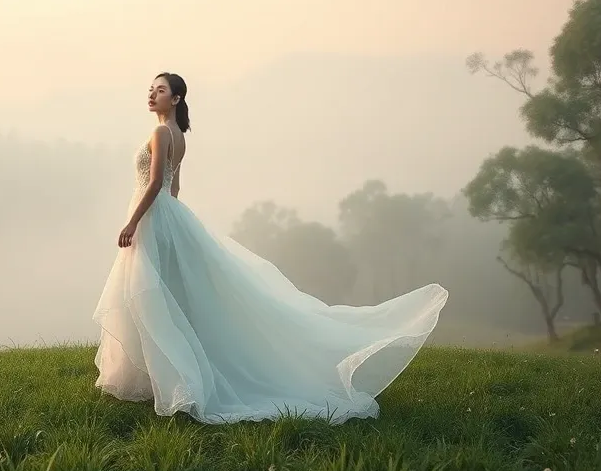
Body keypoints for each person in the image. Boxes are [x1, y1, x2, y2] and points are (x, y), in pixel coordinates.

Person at [92, 71, 448, 424]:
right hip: (166, 218)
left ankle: (168, 379)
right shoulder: (178, 135)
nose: (152, 95)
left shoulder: (159, 132)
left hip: (154, 217)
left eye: (160, 90)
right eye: (150, 89)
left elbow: (156, 183)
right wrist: (170, 223)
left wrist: (134, 221)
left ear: (177, 98)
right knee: (162, 295)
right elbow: (175, 189)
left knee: (151, 295)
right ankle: (159, 378)